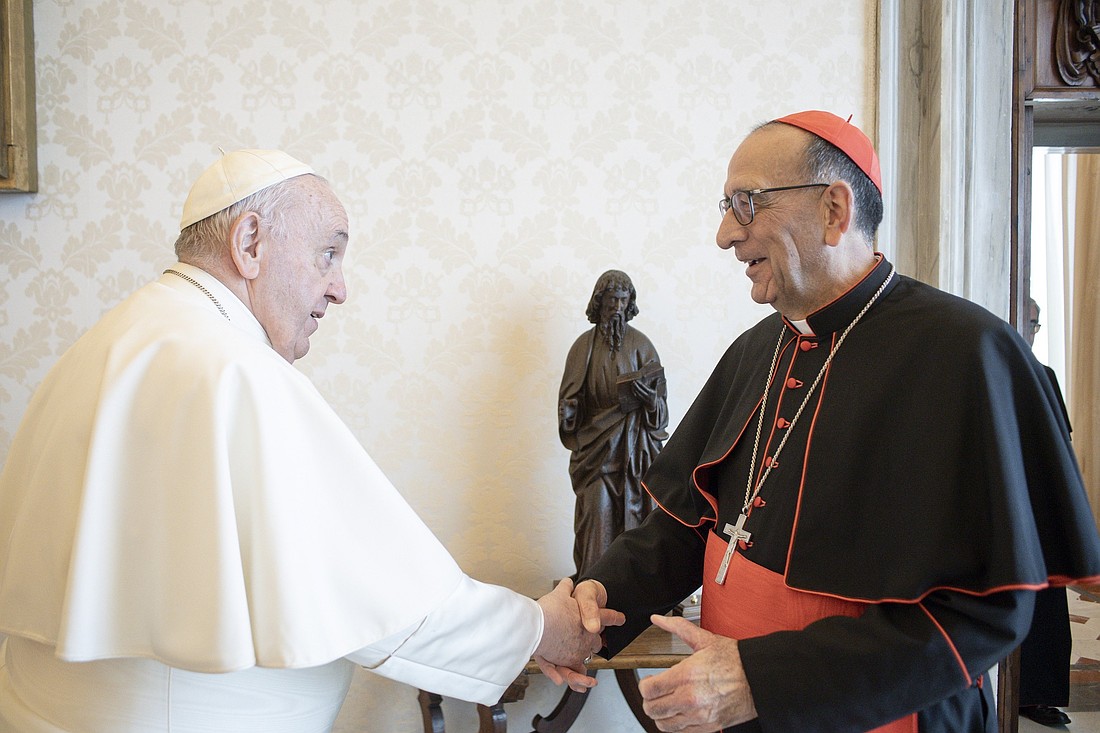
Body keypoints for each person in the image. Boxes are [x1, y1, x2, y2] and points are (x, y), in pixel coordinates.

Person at [0, 149, 620, 732]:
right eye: (328, 254)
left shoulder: (116, 339)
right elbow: (373, 585)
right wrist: (537, 629)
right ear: (250, 243)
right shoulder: (231, 368)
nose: (339, 288)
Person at [571, 111, 1100, 732]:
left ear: (833, 209)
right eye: (726, 204)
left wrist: (763, 679)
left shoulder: (966, 353)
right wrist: (597, 597)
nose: (723, 234)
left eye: (747, 203)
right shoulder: (755, 349)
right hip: (735, 708)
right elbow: (690, 525)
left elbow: (987, 611)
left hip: (880, 714)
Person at [558, 270, 668, 577]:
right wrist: (568, 413)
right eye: (611, 300)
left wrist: (648, 400)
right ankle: (592, 587)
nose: (617, 307)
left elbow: (660, 412)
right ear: (599, 302)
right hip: (595, 453)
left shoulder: (642, 346)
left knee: (636, 522)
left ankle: (632, 587)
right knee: (597, 515)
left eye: (623, 300)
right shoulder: (583, 347)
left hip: (635, 452)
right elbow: (570, 400)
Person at [1018, 297, 1074, 728]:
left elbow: (1060, 446)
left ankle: (1039, 695)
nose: (1030, 331)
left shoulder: (1045, 376)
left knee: (1048, 604)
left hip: (1037, 505)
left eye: (1036, 324)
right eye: (1026, 321)